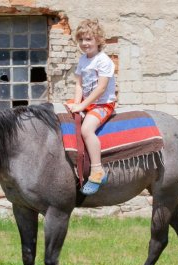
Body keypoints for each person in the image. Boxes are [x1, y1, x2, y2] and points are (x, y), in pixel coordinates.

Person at [66, 19, 116, 195]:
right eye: (81, 40)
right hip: (87, 103)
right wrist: (76, 103)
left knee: (87, 130)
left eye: (88, 39)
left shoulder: (103, 61)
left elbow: (101, 88)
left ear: (99, 40)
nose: (84, 44)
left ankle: (97, 171)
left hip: (102, 104)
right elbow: (79, 84)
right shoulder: (83, 59)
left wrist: (83, 105)